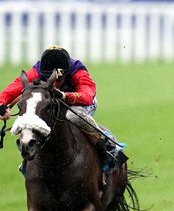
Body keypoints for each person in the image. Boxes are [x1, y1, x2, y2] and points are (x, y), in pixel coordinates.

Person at [0, 45, 124, 173]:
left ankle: (106, 145)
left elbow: (87, 96)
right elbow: (12, 89)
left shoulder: (77, 71)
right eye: (50, 79)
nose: (54, 84)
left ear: (67, 73)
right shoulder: (37, 70)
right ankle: (27, 159)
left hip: (80, 103)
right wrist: (1, 105)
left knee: (72, 116)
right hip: (51, 102)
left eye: (59, 80)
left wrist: (65, 95)